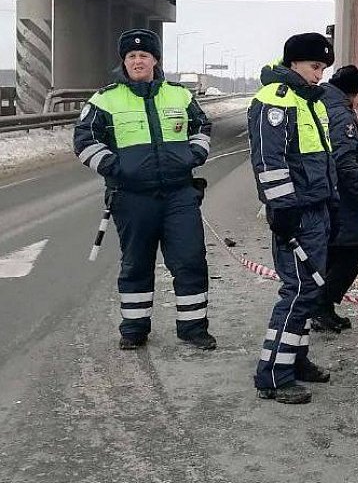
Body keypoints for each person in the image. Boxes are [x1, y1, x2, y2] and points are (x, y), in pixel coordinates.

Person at [73, 28, 216, 351]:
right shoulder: (105, 99)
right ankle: (134, 329)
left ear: (155, 60)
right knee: (136, 263)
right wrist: (116, 168)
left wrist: (193, 155)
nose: (138, 61)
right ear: (124, 62)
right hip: (132, 197)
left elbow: (201, 127)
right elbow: (84, 141)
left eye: (144, 55)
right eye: (132, 56)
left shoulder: (179, 95)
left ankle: (193, 328)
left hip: (180, 194)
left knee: (190, 260)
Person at [248, 33, 337, 405]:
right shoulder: (276, 100)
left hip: (315, 207)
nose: (319, 74)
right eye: (315, 67)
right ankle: (273, 375)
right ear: (295, 63)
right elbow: (270, 162)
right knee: (298, 291)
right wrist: (282, 210)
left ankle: (295, 360)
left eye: (322, 68)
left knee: (310, 291)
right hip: (296, 213)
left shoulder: (308, 99)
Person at [310, 65, 358, 333]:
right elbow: (344, 160)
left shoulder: (327, 103)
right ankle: (321, 305)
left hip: (331, 192)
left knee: (336, 248)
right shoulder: (341, 114)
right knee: (356, 244)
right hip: (344, 195)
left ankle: (323, 306)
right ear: (352, 92)